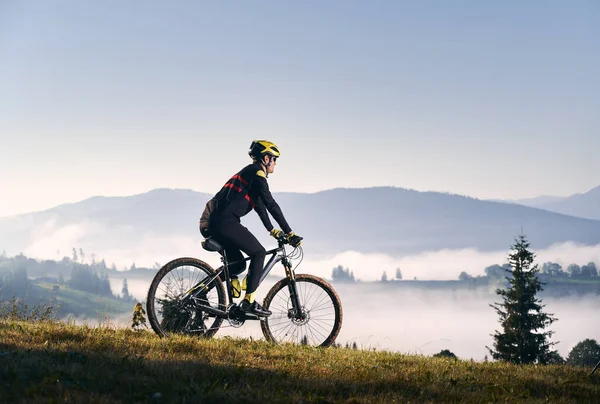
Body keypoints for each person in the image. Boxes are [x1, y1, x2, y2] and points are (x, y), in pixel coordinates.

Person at [199, 140, 303, 317]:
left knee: (238, 265)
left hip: (214, 222)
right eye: (275, 159)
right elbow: (271, 204)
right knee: (259, 253)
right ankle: (249, 301)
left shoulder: (250, 175)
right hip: (226, 222)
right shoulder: (257, 173)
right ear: (266, 158)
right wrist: (290, 233)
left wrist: (272, 230)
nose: (275, 164)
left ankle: (201, 291)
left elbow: (260, 206)